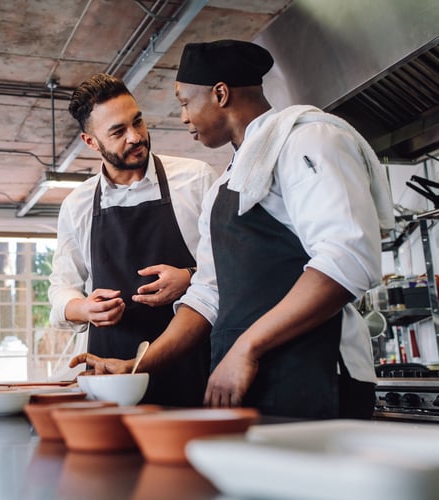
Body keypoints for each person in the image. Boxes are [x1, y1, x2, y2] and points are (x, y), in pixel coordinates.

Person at [70, 40, 395, 419]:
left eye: (185, 102)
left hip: (317, 373)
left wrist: (247, 347)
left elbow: (349, 259)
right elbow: (208, 294)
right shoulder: (226, 183)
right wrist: (137, 367)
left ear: (220, 94)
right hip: (248, 381)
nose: (183, 118)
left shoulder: (308, 139)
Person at [49, 73, 218, 406]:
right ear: (90, 142)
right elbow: (60, 287)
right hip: (111, 378)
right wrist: (83, 307)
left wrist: (188, 278)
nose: (136, 137)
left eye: (137, 122)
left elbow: (230, 269)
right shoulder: (77, 205)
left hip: (193, 367)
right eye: (118, 131)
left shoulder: (195, 179)